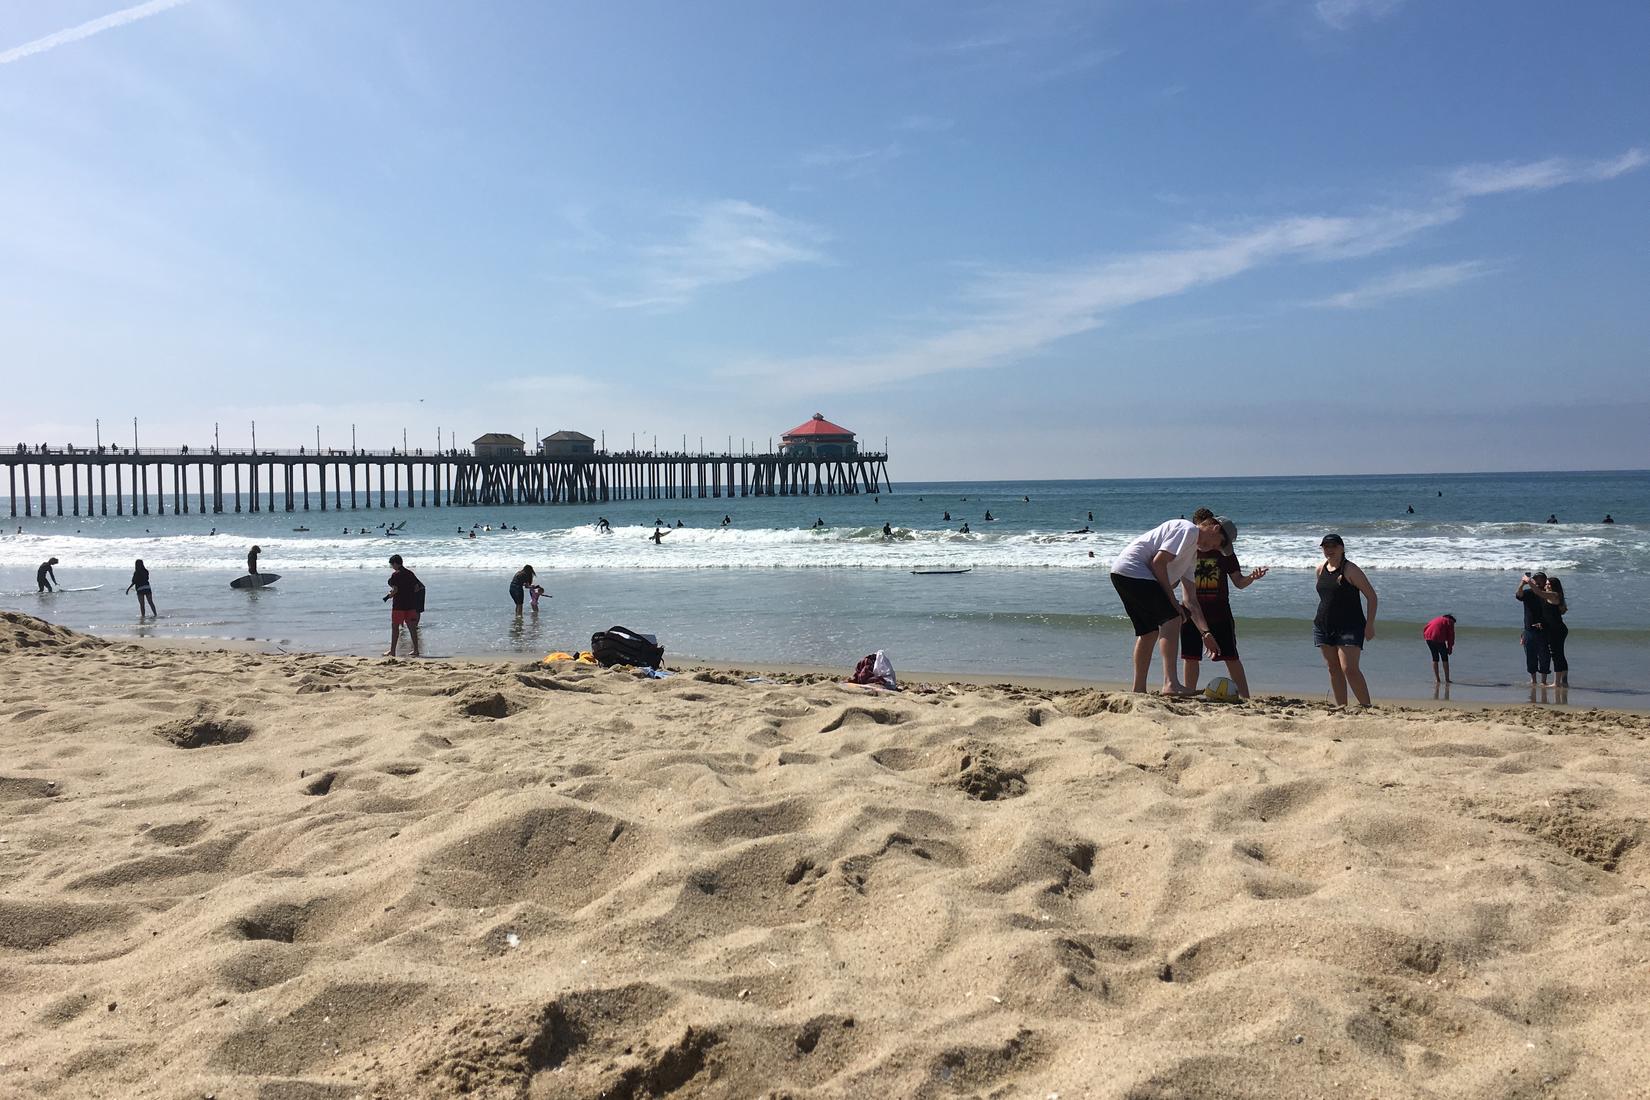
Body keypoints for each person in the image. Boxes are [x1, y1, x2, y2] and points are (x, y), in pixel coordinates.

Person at [1110, 511, 1227, 694]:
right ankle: (1170, 684)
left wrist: (1206, 633)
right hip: (1134, 570)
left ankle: (1139, 689)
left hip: (1122, 573)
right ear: (1215, 528)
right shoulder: (1187, 529)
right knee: (1172, 619)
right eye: (1218, 543)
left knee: (1148, 633)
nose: (1213, 548)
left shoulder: (1191, 556)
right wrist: (1172, 602)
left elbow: (1191, 600)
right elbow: (1158, 563)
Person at [1178, 518, 1267, 697]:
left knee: (1231, 656)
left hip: (1219, 611)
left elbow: (1239, 582)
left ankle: (1245, 696)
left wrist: (1252, 577)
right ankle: (1189, 693)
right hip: (1191, 612)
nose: (1213, 545)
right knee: (1190, 656)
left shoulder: (1225, 555)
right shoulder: (1189, 550)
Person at [1314, 533, 1377, 706]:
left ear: (1341, 548)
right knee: (1333, 668)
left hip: (1350, 626)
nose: (1329, 550)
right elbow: (1326, 597)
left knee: (1349, 669)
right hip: (1323, 625)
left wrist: (1369, 625)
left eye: (1333, 546)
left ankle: (1366, 707)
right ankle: (1341, 707)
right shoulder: (1320, 569)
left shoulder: (1350, 569)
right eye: (1325, 547)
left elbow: (1372, 596)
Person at [382, 554, 424, 657]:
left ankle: (392, 651)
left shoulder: (395, 575)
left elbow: (395, 590)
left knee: (395, 627)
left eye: (392, 565)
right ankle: (416, 650)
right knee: (412, 628)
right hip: (410, 605)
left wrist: (389, 596)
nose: (392, 567)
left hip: (399, 606)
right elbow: (417, 588)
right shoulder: (410, 573)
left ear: (396, 563)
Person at [1516, 571, 1551, 685]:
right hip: (1529, 629)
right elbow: (1518, 595)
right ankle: (1533, 680)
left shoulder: (1548, 594)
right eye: (1536, 579)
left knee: (1544, 655)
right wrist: (1522, 583)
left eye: (1541, 579)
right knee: (1530, 656)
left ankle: (1544, 681)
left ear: (1545, 580)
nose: (1538, 581)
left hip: (1544, 629)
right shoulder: (1529, 593)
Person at [1538, 576, 1569, 687]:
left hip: (1557, 630)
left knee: (1556, 655)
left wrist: (1528, 581)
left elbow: (1539, 592)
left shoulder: (1554, 595)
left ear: (1555, 586)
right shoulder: (1552, 596)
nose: (1547, 585)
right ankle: (1564, 681)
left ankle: (1556, 683)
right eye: (1546, 583)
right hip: (1556, 629)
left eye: (1549, 584)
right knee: (1560, 654)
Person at [1422, 613, 1456, 684]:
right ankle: (1447, 679)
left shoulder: (1437, 619)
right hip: (1438, 637)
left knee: (1435, 658)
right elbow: (1451, 636)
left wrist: (1426, 636)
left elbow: (1425, 627)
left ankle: (1437, 679)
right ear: (1452, 619)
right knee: (1445, 658)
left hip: (1428, 637)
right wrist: (1450, 649)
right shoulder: (1450, 621)